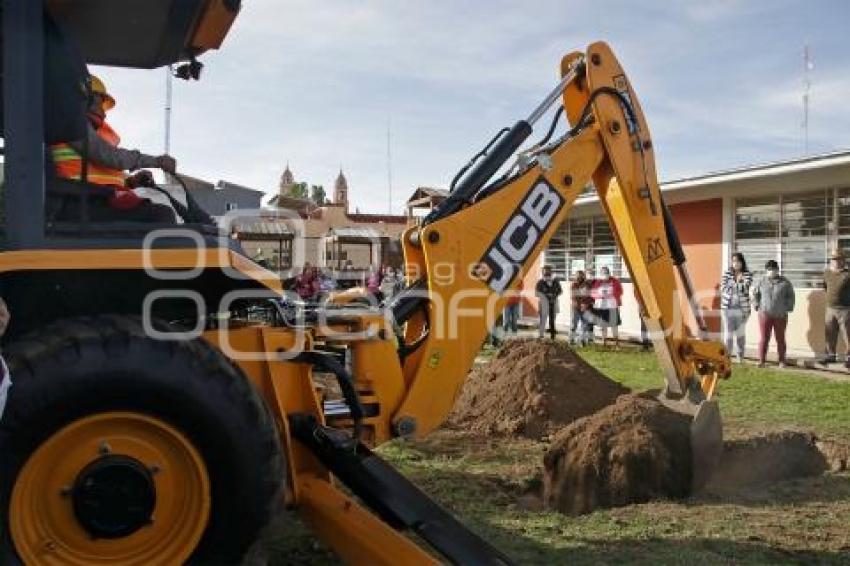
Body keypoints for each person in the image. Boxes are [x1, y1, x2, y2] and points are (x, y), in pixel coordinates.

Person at [50, 75, 177, 222]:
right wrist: (156, 161)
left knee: (160, 214)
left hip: (93, 198)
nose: (102, 111)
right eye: (98, 102)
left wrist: (130, 182)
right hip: (79, 203)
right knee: (161, 216)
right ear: (82, 100)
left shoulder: (82, 130)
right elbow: (108, 156)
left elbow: (99, 172)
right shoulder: (70, 125)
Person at [752, 260, 795, 368]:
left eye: (773, 269)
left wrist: (788, 307)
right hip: (764, 315)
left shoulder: (785, 282)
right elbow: (755, 294)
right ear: (766, 271)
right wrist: (756, 304)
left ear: (777, 270)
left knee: (780, 339)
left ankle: (782, 361)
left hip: (780, 315)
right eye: (769, 269)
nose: (771, 271)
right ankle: (761, 360)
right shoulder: (761, 281)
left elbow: (791, 296)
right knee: (764, 338)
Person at [720, 252, 753, 363]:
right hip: (727, 309)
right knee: (728, 335)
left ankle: (740, 357)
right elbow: (724, 288)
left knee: (740, 335)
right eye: (733, 261)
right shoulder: (727, 273)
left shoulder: (747, 274)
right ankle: (727, 357)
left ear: (742, 262)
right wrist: (738, 283)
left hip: (741, 310)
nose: (736, 263)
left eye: (738, 261)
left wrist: (733, 285)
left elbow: (745, 287)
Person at [820, 249, 850, 367]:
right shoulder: (827, 273)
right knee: (830, 333)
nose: (836, 261)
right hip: (830, 309)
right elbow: (825, 287)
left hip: (845, 309)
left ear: (843, 261)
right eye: (834, 259)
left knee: (847, 335)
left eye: (838, 259)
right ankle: (830, 356)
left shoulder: (848, 274)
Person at [590, 266, 623, 348]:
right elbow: (592, 293)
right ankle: (604, 342)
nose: (604, 275)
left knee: (614, 325)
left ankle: (616, 343)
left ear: (609, 273)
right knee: (603, 325)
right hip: (601, 307)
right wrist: (600, 295)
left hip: (612, 306)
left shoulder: (615, 281)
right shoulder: (597, 282)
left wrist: (611, 294)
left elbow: (620, 291)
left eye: (606, 273)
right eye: (602, 273)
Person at [535, 266, 562, 340]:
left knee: (552, 320)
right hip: (544, 304)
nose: (547, 272)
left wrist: (554, 295)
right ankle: (541, 335)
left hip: (553, 302)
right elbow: (536, 293)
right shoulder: (540, 282)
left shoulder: (555, 281)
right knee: (543, 320)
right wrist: (546, 295)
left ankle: (553, 336)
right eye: (545, 271)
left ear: (551, 272)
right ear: (543, 272)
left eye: (548, 271)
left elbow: (560, 291)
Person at [568, 271, 592, 345]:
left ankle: (582, 340)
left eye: (581, 276)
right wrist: (581, 303)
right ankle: (571, 340)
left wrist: (586, 304)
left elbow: (590, 296)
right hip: (576, 308)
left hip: (585, 308)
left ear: (584, 276)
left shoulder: (588, 284)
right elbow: (574, 296)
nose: (580, 277)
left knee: (584, 325)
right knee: (573, 325)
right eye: (578, 276)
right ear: (576, 276)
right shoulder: (574, 285)